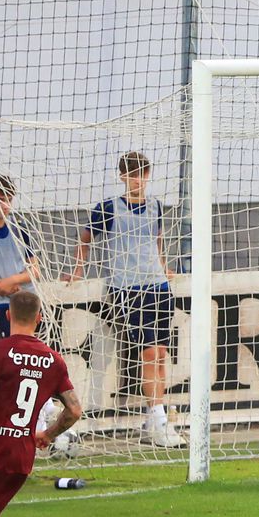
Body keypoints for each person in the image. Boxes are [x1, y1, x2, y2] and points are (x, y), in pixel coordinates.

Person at [68, 152, 181, 447]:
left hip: (158, 287)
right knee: (146, 354)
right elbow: (86, 237)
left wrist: (163, 265)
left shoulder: (155, 206)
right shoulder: (108, 208)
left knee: (159, 354)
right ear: (122, 177)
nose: (137, 180)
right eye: (131, 175)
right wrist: (78, 270)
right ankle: (158, 420)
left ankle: (154, 418)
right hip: (127, 289)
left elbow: (156, 239)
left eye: (142, 174)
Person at [0, 291, 83, 517]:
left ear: (7, 316)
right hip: (21, 455)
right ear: (39, 319)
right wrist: (47, 433)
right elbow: (74, 410)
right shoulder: (53, 360)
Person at [0, 176, 39, 340]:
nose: (5, 205)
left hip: (24, 301)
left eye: (9, 200)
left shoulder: (19, 228)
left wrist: (12, 281)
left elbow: (35, 270)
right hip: (0, 304)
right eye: (0, 199)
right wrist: (3, 286)